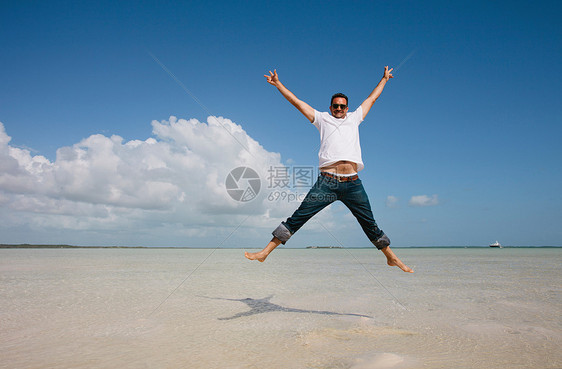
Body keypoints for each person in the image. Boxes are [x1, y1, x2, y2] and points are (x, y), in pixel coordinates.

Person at [245, 66, 413, 273]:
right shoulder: (322, 119)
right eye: (336, 106)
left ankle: (391, 258)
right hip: (327, 182)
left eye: (342, 107)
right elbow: (297, 102)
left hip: (353, 183)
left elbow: (372, 99)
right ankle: (265, 253)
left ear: (347, 108)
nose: (339, 110)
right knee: (298, 217)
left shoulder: (354, 118)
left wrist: (384, 79)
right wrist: (278, 84)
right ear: (331, 107)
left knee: (369, 223)